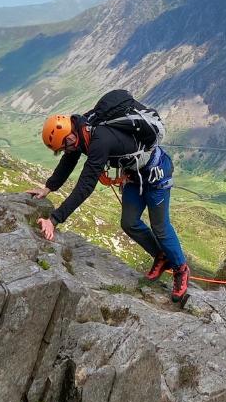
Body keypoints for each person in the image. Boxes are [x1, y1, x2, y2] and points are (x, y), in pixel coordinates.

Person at [26, 101, 190, 303]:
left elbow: (85, 185)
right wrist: (48, 187)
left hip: (156, 174)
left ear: (70, 136)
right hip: (132, 176)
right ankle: (162, 256)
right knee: (129, 222)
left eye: (64, 147)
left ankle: (181, 269)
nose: (66, 151)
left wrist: (54, 219)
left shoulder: (99, 139)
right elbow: (68, 162)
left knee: (160, 226)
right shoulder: (79, 132)